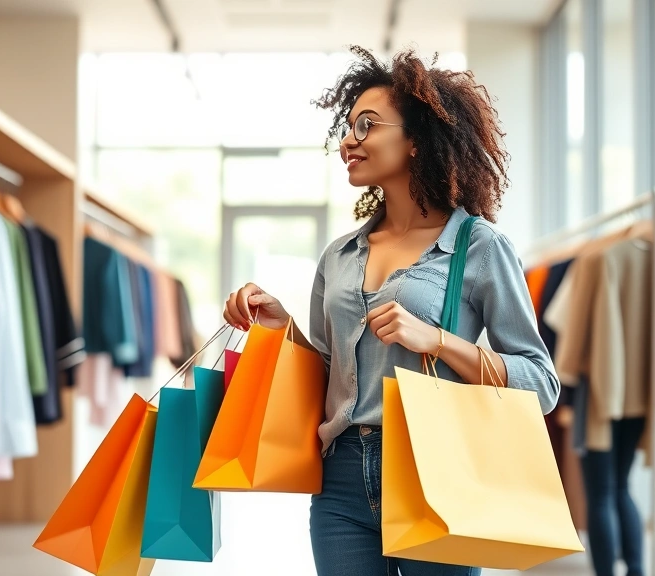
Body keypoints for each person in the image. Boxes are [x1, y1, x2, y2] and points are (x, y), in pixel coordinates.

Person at [222, 46, 560, 576]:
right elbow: (332, 374)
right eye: (348, 127)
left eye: (367, 125)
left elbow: (541, 384)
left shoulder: (480, 248)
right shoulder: (339, 255)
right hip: (340, 483)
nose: (348, 141)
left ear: (418, 139)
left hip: (437, 471)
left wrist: (438, 340)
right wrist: (279, 326)